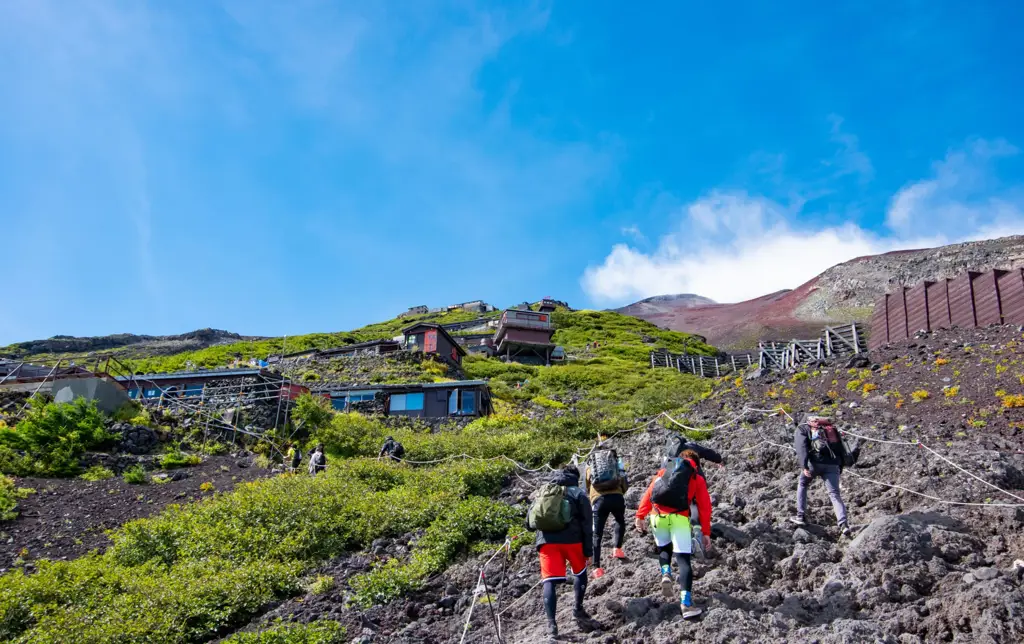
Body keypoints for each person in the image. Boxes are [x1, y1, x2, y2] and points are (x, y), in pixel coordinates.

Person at [526, 465, 602, 639]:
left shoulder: (543, 491)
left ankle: (552, 625)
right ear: (576, 477)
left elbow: (529, 522)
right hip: (573, 541)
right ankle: (577, 609)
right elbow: (587, 525)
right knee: (580, 573)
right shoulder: (579, 493)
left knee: (549, 581)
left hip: (547, 542)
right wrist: (588, 551)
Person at [635, 449, 712, 617]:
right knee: (683, 560)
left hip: (657, 516)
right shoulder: (696, 478)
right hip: (679, 518)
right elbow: (704, 507)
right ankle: (686, 604)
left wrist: (640, 515)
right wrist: (705, 532)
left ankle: (666, 573)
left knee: (664, 548)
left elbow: (649, 493)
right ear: (696, 466)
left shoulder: (665, 471)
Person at [792, 415, 850, 535]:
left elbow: (801, 447)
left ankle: (800, 516)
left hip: (815, 463)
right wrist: (841, 465)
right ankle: (843, 524)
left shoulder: (802, 429)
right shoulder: (829, 429)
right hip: (833, 464)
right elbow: (840, 447)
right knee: (834, 494)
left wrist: (804, 466)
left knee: (803, 484)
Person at [583, 448, 628, 578]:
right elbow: (624, 479)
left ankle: (597, 568)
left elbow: (586, 485)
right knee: (620, 520)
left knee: (597, 533)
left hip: (599, 500)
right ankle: (617, 549)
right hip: (617, 497)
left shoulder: (592, 464)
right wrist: (620, 492)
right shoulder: (615, 461)